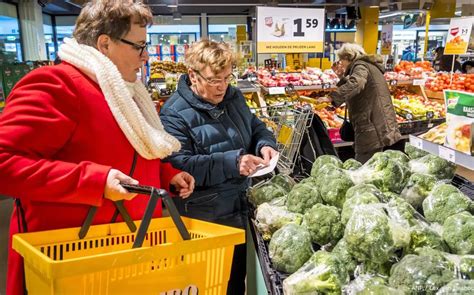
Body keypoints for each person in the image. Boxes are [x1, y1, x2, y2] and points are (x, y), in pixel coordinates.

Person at [0, 1, 195, 294]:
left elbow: (125, 151)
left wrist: (165, 173)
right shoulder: (57, 84)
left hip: (126, 256)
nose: (145, 57)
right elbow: (5, 163)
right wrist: (93, 181)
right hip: (72, 261)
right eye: (139, 46)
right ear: (105, 44)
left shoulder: (121, 90)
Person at [159, 39, 278, 295]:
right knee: (208, 284)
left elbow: (255, 126)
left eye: (227, 77)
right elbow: (180, 165)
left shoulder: (233, 97)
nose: (222, 86)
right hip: (204, 219)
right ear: (193, 74)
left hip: (239, 208)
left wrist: (264, 144)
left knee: (236, 280)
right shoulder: (173, 113)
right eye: (214, 80)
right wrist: (233, 162)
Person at [329, 43, 402, 163]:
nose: (340, 63)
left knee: (364, 164)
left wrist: (332, 98)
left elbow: (356, 83)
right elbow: (358, 86)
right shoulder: (366, 66)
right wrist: (342, 76)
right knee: (373, 163)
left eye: (341, 60)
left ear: (348, 57)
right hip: (375, 122)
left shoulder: (360, 66)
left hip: (372, 124)